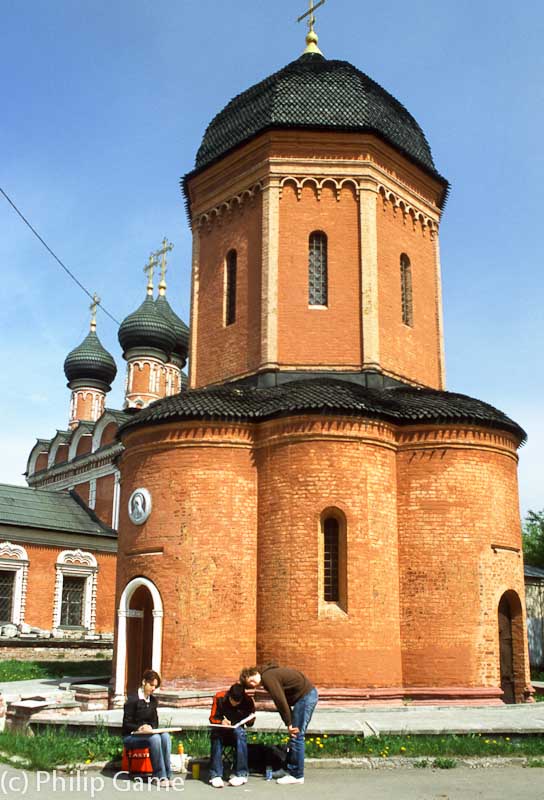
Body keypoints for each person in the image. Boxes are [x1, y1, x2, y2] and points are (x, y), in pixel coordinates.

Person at [240, 664, 318, 785]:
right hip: (304, 697)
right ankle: (288, 768)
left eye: (252, 681)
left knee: (296, 736)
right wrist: (290, 719)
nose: (254, 685)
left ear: (254, 673)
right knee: (294, 736)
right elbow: (283, 700)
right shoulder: (269, 674)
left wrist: (289, 723)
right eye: (251, 685)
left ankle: (296, 775)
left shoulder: (267, 677)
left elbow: (280, 700)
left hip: (305, 697)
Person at [122, 669, 173, 786]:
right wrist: (139, 728)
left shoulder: (153, 701)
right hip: (131, 736)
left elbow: (155, 722)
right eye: (151, 685)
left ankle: (167, 775)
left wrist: (150, 727)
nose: (153, 688)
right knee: (155, 739)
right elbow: (126, 724)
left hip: (148, 734)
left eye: (155, 686)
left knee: (165, 736)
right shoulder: (132, 700)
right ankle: (159, 776)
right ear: (144, 682)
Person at [208, 682, 255, 788]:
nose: (234, 704)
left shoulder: (248, 701)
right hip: (222, 731)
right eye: (232, 700)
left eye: (237, 702)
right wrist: (221, 722)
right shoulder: (219, 697)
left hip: (237, 733)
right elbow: (212, 718)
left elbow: (250, 722)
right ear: (229, 695)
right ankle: (215, 774)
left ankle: (241, 773)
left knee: (240, 733)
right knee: (216, 735)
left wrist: (251, 719)